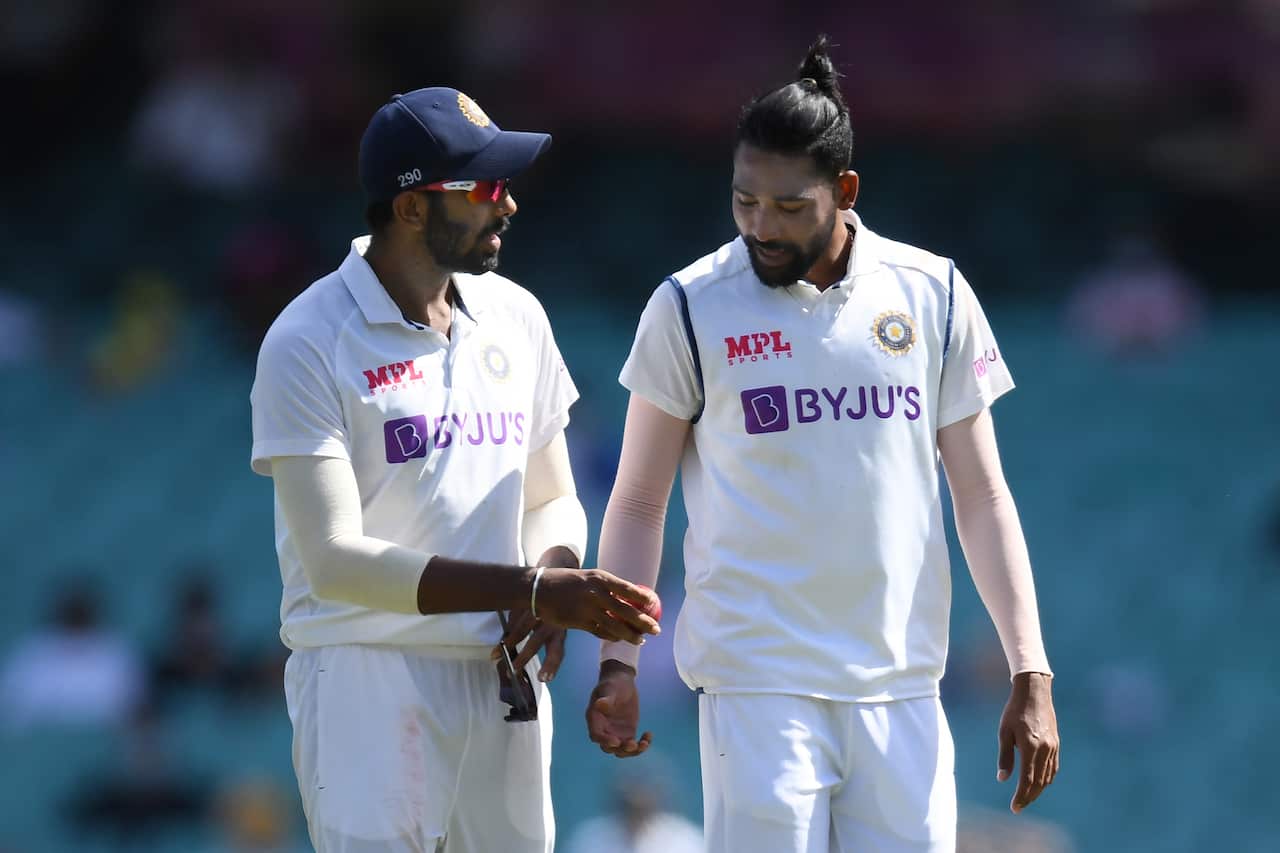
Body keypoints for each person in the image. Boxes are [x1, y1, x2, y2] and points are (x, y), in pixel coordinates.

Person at [584, 38, 1060, 853]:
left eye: (788, 206)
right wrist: (617, 663)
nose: (761, 227)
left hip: (904, 685)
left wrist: (1030, 666)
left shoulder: (934, 291)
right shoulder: (690, 305)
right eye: (744, 202)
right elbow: (637, 502)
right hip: (756, 686)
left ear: (845, 191)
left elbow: (982, 495)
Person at [250, 86, 660, 853]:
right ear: (411, 207)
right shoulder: (307, 339)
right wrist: (529, 589)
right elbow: (334, 561)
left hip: (503, 674)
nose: (507, 205)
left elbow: (552, 496)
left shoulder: (516, 315)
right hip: (366, 676)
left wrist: (552, 572)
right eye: (485, 188)